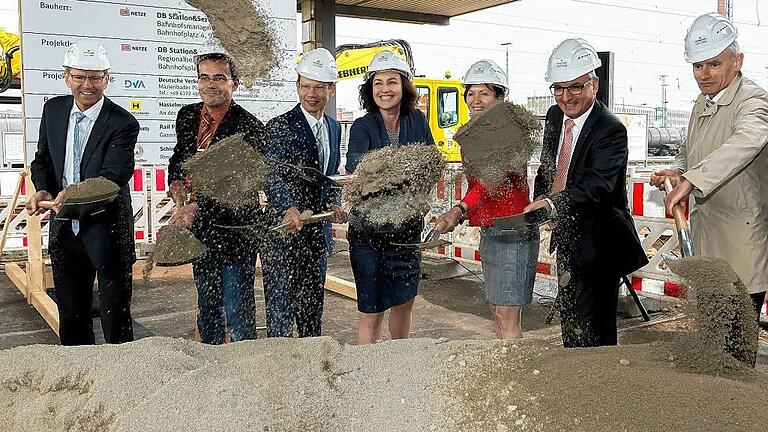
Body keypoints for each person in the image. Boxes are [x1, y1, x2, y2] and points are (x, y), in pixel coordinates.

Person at [524, 38, 647, 348]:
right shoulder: (554, 117)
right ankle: (577, 380)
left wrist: (552, 205)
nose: (567, 97)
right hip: (566, 237)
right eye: (559, 88)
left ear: (595, 85)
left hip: (599, 244)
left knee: (595, 329)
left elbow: (597, 186)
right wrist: (541, 198)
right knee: (572, 320)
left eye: (576, 87)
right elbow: (547, 168)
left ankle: (599, 387)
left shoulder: (610, 129)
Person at [651, 13, 768, 322]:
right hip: (706, 239)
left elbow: (746, 141)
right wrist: (677, 170)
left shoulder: (754, 100)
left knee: (735, 337)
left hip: (741, 243)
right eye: (697, 65)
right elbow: (689, 151)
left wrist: (691, 180)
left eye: (714, 64)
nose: (704, 74)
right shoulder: (702, 103)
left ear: (737, 61)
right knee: (709, 333)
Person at [27, 40, 138, 345]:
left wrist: (71, 196)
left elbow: (113, 178)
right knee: (72, 316)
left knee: (116, 319)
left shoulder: (123, 122)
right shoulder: (53, 110)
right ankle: (82, 382)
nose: (87, 85)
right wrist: (44, 189)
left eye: (95, 77)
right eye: (79, 77)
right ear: (67, 76)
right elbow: (44, 159)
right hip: (65, 228)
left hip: (108, 230)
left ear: (107, 79)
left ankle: (124, 381)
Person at [167, 39, 267, 345]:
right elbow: (179, 158)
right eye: (204, 77)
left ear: (234, 83)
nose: (211, 84)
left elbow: (240, 187)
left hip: (235, 232)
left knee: (237, 309)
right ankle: (210, 366)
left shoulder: (249, 128)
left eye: (219, 78)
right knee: (207, 305)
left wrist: (198, 208)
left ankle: (243, 367)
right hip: (201, 234)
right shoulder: (187, 116)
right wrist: (176, 180)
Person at [434, 59, 539, 340]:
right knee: (497, 308)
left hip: (513, 227)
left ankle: (514, 372)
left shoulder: (508, 132)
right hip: (493, 227)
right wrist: (467, 211)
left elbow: (490, 182)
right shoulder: (476, 132)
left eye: (484, 93)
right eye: (471, 93)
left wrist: (459, 209)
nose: (476, 100)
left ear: (499, 96)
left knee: (507, 314)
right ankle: (509, 367)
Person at [345, 51, 435, 345]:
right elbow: (360, 169)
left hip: (406, 231)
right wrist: (404, 169)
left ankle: (398, 363)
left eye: (392, 82)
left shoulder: (417, 121)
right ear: (370, 90)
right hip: (368, 234)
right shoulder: (362, 126)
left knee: (404, 302)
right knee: (371, 310)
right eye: (378, 83)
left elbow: (430, 164)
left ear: (404, 86)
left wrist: (388, 171)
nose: (385, 89)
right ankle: (365, 372)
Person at [262, 48, 344, 338]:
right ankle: (280, 370)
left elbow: (329, 173)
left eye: (319, 87)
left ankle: (310, 365)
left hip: (316, 235)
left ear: (330, 90)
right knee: (281, 310)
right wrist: (287, 206)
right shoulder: (280, 126)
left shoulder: (334, 128)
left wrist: (335, 202)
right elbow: (271, 174)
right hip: (285, 234)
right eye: (306, 86)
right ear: (297, 87)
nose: (312, 93)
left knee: (311, 310)